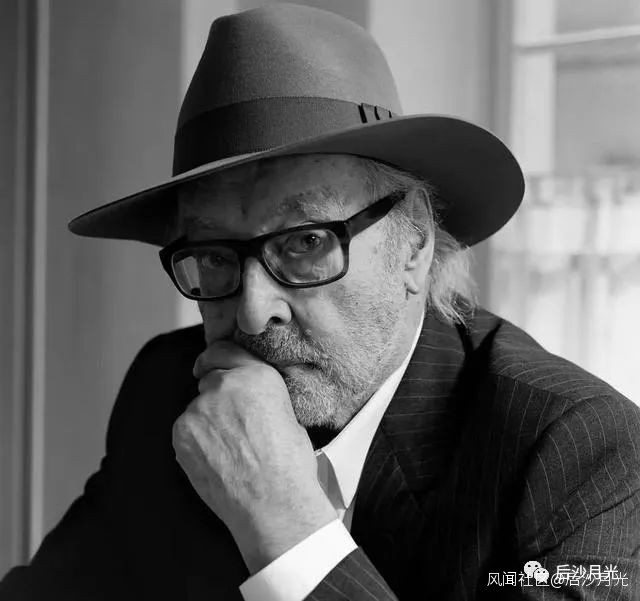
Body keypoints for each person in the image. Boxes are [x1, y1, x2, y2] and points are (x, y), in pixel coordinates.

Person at [1, 4, 638, 600]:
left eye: (306, 242)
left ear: (414, 244)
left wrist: (283, 523)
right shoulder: (167, 389)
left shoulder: (581, 452)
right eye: (215, 256)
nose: (253, 313)